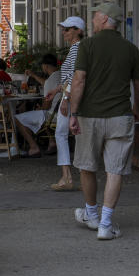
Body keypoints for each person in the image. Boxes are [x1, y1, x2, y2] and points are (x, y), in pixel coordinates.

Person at [68, 2, 139, 240]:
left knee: (87, 166)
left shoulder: (87, 45)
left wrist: (73, 112)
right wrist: (137, 108)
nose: (91, 22)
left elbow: (79, 80)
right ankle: (106, 224)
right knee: (115, 170)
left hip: (90, 116)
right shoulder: (130, 49)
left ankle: (91, 213)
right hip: (121, 115)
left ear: (103, 19)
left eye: (94, 17)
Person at [52, 16, 86, 191]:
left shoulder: (78, 49)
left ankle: (69, 176)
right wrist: (57, 90)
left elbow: (75, 77)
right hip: (70, 96)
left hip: (72, 98)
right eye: (63, 29)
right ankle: (71, 175)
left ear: (78, 31)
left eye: (67, 29)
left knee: (63, 134)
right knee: (69, 134)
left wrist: (65, 98)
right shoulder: (76, 49)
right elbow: (69, 78)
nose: (63, 32)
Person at [12, 54, 61, 158]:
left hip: (52, 116)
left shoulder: (49, 81)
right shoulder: (62, 75)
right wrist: (33, 75)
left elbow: (46, 106)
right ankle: (52, 142)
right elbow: (46, 83)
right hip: (63, 114)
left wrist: (41, 108)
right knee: (38, 114)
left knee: (17, 118)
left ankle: (34, 147)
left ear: (45, 66)